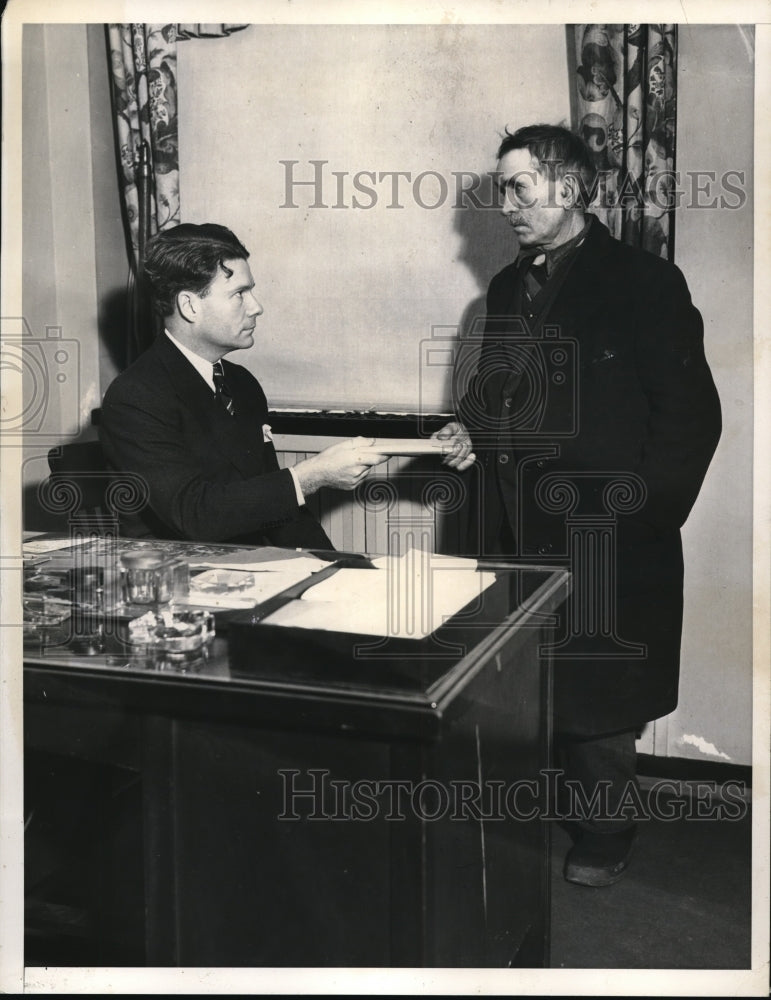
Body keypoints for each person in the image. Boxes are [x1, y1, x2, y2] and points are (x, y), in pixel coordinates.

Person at [434, 124, 721, 886]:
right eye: (501, 188)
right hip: (513, 524)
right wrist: (468, 428)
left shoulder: (645, 282)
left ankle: (604, 831)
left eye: (517, 186)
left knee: (599, 690)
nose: (505, 204)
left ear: (568, 186)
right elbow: (491, 394)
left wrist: (642, 516)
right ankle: (530, 811)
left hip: (609, 530)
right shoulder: (502, 289)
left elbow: (690, 414)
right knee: (520, 681)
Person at [100, 223, 386, 548]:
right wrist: (310, 476)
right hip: (179, 577)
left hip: (249, 569)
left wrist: (337, 568)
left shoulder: (242, 384)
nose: (256, 306)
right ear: (189, 306)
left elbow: (281, 514)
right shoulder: (135, 396)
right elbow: (195, 515)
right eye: (239, 294)